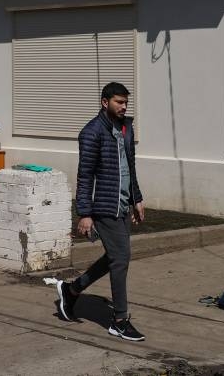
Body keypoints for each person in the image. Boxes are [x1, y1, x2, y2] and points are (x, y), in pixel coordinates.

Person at [56, 81, 146, 341]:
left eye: (126, 102)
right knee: (120, 260)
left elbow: (131, 165)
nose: (123, 106)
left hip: (123, 203)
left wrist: (136, 198)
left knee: (115, 258)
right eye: (119, 102)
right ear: (105, 102)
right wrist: (84, 213)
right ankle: (119, 320)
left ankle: (72, 291)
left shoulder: (126, 127)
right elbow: (85, 175)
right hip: (104, 205)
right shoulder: (92, 132)